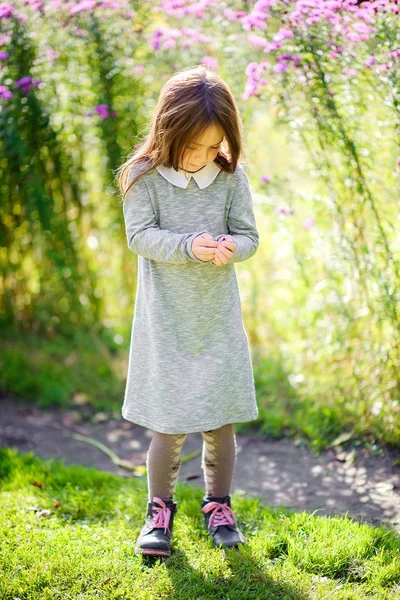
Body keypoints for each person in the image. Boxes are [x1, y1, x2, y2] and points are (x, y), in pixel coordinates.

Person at [115, 64, 260, 558]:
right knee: (169, 421)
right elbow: (140, 237)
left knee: (219, 420)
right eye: (192, 147)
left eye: (212, 145)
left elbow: (249, 237)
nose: (201, 157)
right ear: (167, 130)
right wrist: (188, 245)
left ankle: (218, 505)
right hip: (166, 321)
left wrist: (230, 249)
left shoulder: (229, 176)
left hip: (216, 319)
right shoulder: (143, 177)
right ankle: (160, 511)